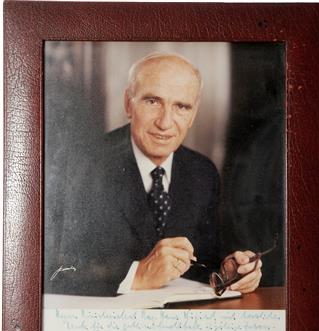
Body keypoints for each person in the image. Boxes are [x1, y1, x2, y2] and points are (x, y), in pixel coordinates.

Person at [45, 52, 262, 296]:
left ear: (193, 114)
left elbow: (202, 261)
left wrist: (227, 272)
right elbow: (51, 270)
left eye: (181, 106)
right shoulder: (78, 165)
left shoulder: (203, 172)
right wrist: (137, 275)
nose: (165, 122)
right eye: (153, 101)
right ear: (129, 103)